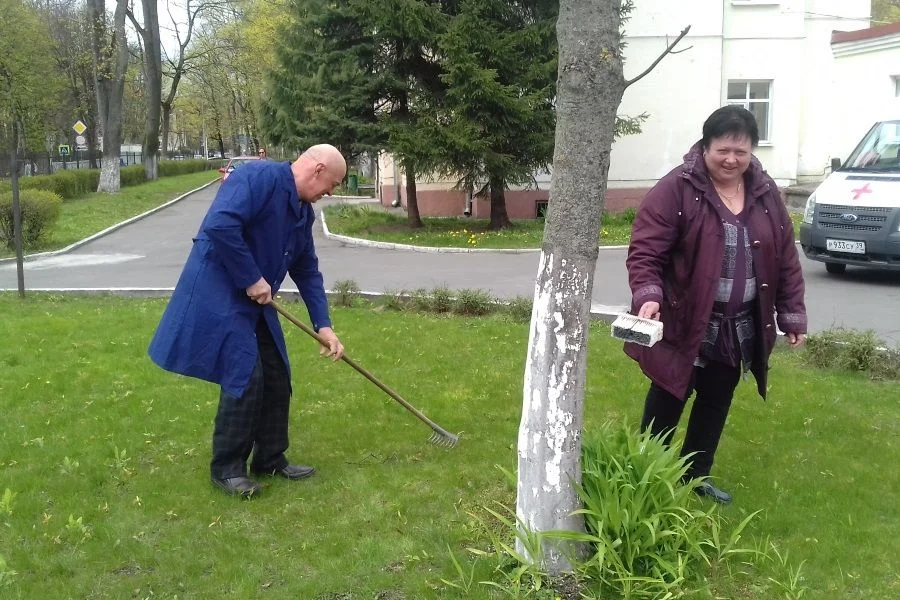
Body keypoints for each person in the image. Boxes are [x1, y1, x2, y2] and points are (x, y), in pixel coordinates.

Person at [624, 105, 807, 504]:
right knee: (669, 394)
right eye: (723, 150)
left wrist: (791, 313)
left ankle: (696, 478)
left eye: (741, 152)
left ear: (752, 151)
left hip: (736, 326)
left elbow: (785, 259)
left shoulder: (765, 193)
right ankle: (645, 475)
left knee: (716, 400)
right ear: (705, 147)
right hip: (684, 319)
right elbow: (645, 252)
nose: (731, 159)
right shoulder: (676, 189)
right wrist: (648, 295)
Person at [148, 144, 347, 498]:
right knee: (245, 375)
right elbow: (220, 224)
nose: (330, 193)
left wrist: (324, 325)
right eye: (331, 184)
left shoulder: (302, 213)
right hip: (221, 290)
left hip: (256, 297)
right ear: (317, 170)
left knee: (276, 372)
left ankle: (270, 458)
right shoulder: (257, 178)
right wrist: (252, 277)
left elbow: (306, 269)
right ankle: (226, 470)